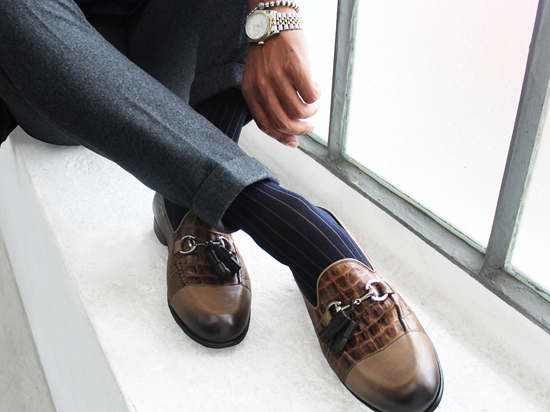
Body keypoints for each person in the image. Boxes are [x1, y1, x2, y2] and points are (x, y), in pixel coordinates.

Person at [0, 1, 443, 411]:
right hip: (49, 56)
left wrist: (274, 13)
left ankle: (188, 208)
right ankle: (294, 225)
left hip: (163, 43)